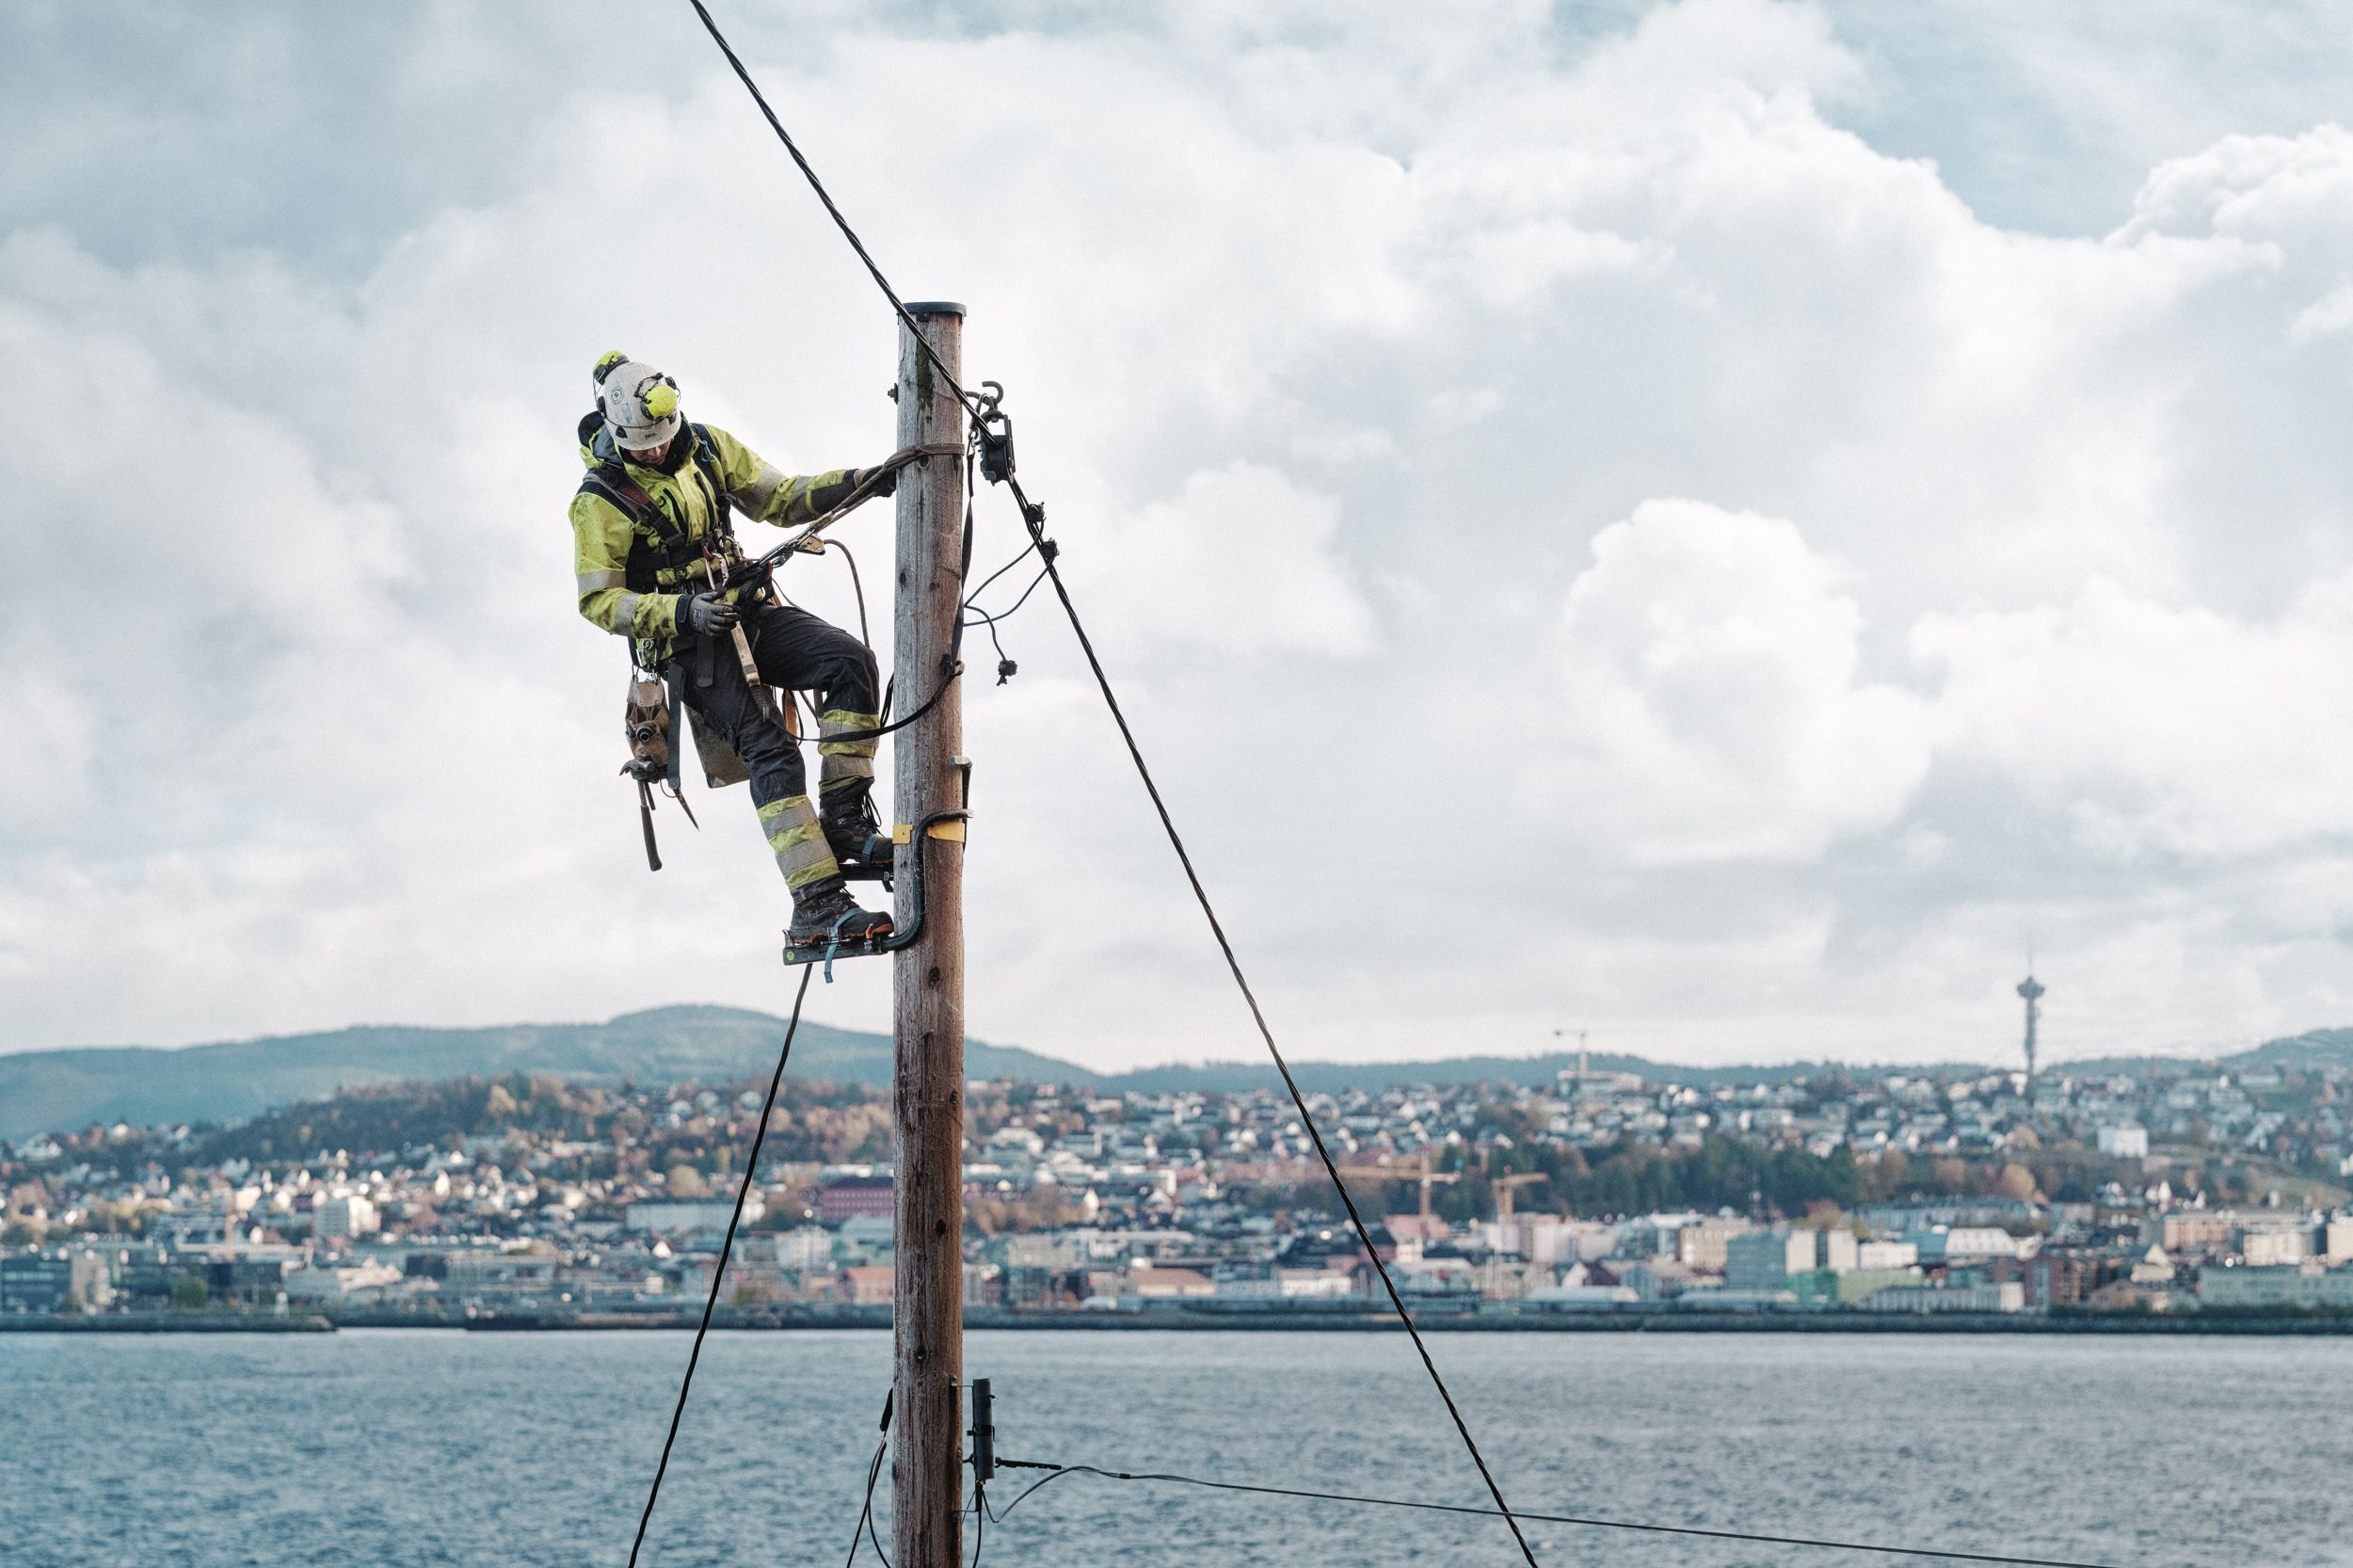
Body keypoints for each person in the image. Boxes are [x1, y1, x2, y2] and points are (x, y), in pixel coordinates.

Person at [569, 351, 904, 948]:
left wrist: (860, 482)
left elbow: (782, 497)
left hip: (747, 610)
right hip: (687, 644)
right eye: (640, 446)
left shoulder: (707, 447)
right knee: (769, 747)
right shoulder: (599, 500)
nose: (653, 452)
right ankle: (817, 904)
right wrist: (682, 611)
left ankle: (845, 823)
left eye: (659, 440)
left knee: (849, 662)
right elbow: (599, 601)